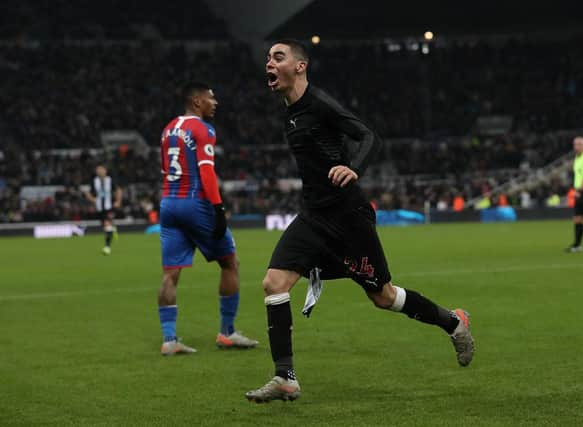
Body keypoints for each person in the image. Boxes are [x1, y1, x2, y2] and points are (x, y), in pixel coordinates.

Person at [245, 40, 474, 403]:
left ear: (300, 66)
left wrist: (353, 168)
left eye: (278, 57)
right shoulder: (288, 114)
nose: (269, 64)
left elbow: (369, 136)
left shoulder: (318, 104)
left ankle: (454, 323)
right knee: (274, 283)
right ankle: (285, 377)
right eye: (267, 59)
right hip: (313, 216)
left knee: (383, 297)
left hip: (348, 216)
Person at [157, 81, 258, 356]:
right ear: (197, 101)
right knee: (230, 263)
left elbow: (165, 168)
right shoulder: (203, 129)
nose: (216, 103)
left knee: (170, 274)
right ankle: (227, 332)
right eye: (211, 98)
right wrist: (218, 209)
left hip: (169, 203)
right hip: (195, 203)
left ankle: (169, 340)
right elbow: (206, 172)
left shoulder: (168, 129)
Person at [84, 164, 122, 255]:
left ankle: (107, 247)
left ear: (105, 171)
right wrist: (92, 199)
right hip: (99, 208)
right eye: (98, 170)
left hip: (109, 207)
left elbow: (118, 190)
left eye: (101, 169)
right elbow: (87, 193)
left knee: (107, 224)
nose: (99, 171)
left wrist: (118, 201)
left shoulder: (110, 180)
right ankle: (112, 230)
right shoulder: (94, 181)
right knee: (105, 227)